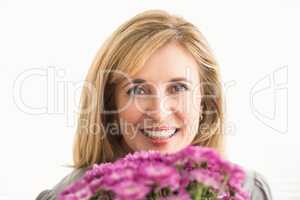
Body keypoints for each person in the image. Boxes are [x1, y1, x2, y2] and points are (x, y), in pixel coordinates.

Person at [36, 9, 273, 200]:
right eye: (137, 90)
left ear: (206, 100)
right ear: (110, 106)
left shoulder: (249, 191)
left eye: (178, 87)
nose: (159, 113)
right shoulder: (69, 196)